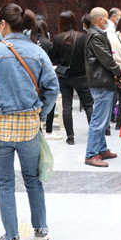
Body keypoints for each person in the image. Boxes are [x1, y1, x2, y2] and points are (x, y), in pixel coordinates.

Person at [0, 3, 59, 240]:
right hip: (28, 126)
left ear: (2, 24)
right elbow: (52, 88)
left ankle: (11, 236)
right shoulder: (37, 52)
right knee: (33, 179)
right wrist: (41, 113)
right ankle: (40, 231)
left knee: (5, 182)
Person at [84, 7, 121, 167]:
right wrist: (118, 73)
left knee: (103, 119)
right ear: (101, 19)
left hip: (102, 80)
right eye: (106, 18)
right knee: (99, 120)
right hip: (100, 82)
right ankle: (91, 154)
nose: (109, 21)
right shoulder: (95, 35)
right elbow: (107, 59)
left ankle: (101, 149)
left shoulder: (96, 33)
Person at [49, 10, 93, 145]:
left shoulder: (57, 38)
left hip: (65, 76)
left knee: (67, 106)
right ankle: (94, 134)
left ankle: (70, 136)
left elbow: (53, 57)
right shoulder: (83, 37)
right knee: (89, 106)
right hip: (82, 76)